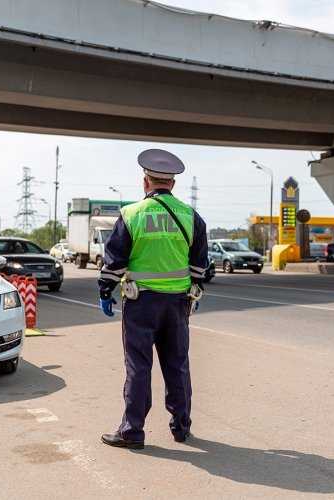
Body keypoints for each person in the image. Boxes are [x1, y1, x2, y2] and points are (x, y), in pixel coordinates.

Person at [98, 149, 209, 449]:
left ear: (145, 181)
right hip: (177, 305)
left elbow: (115, 262)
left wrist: (105, 290)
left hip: (141, 304)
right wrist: (193, 289)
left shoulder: (132, 214)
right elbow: (200, 267)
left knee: (139, 365)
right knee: (177, 365)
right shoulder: (191, 217)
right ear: (172, 184)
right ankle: (181, 428)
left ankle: (132, 432)